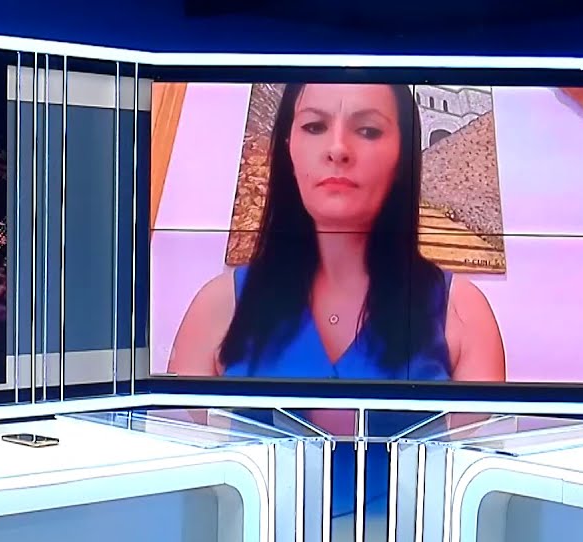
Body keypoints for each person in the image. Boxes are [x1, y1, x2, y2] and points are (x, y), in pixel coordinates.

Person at [167, 83, 506, 381]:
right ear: (288, 147)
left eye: (368, 130)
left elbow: (479, 436)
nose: (338, 149)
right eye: (314, 126)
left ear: (403, 156)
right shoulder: (216, 307)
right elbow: (179, 433)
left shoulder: (463, 314)